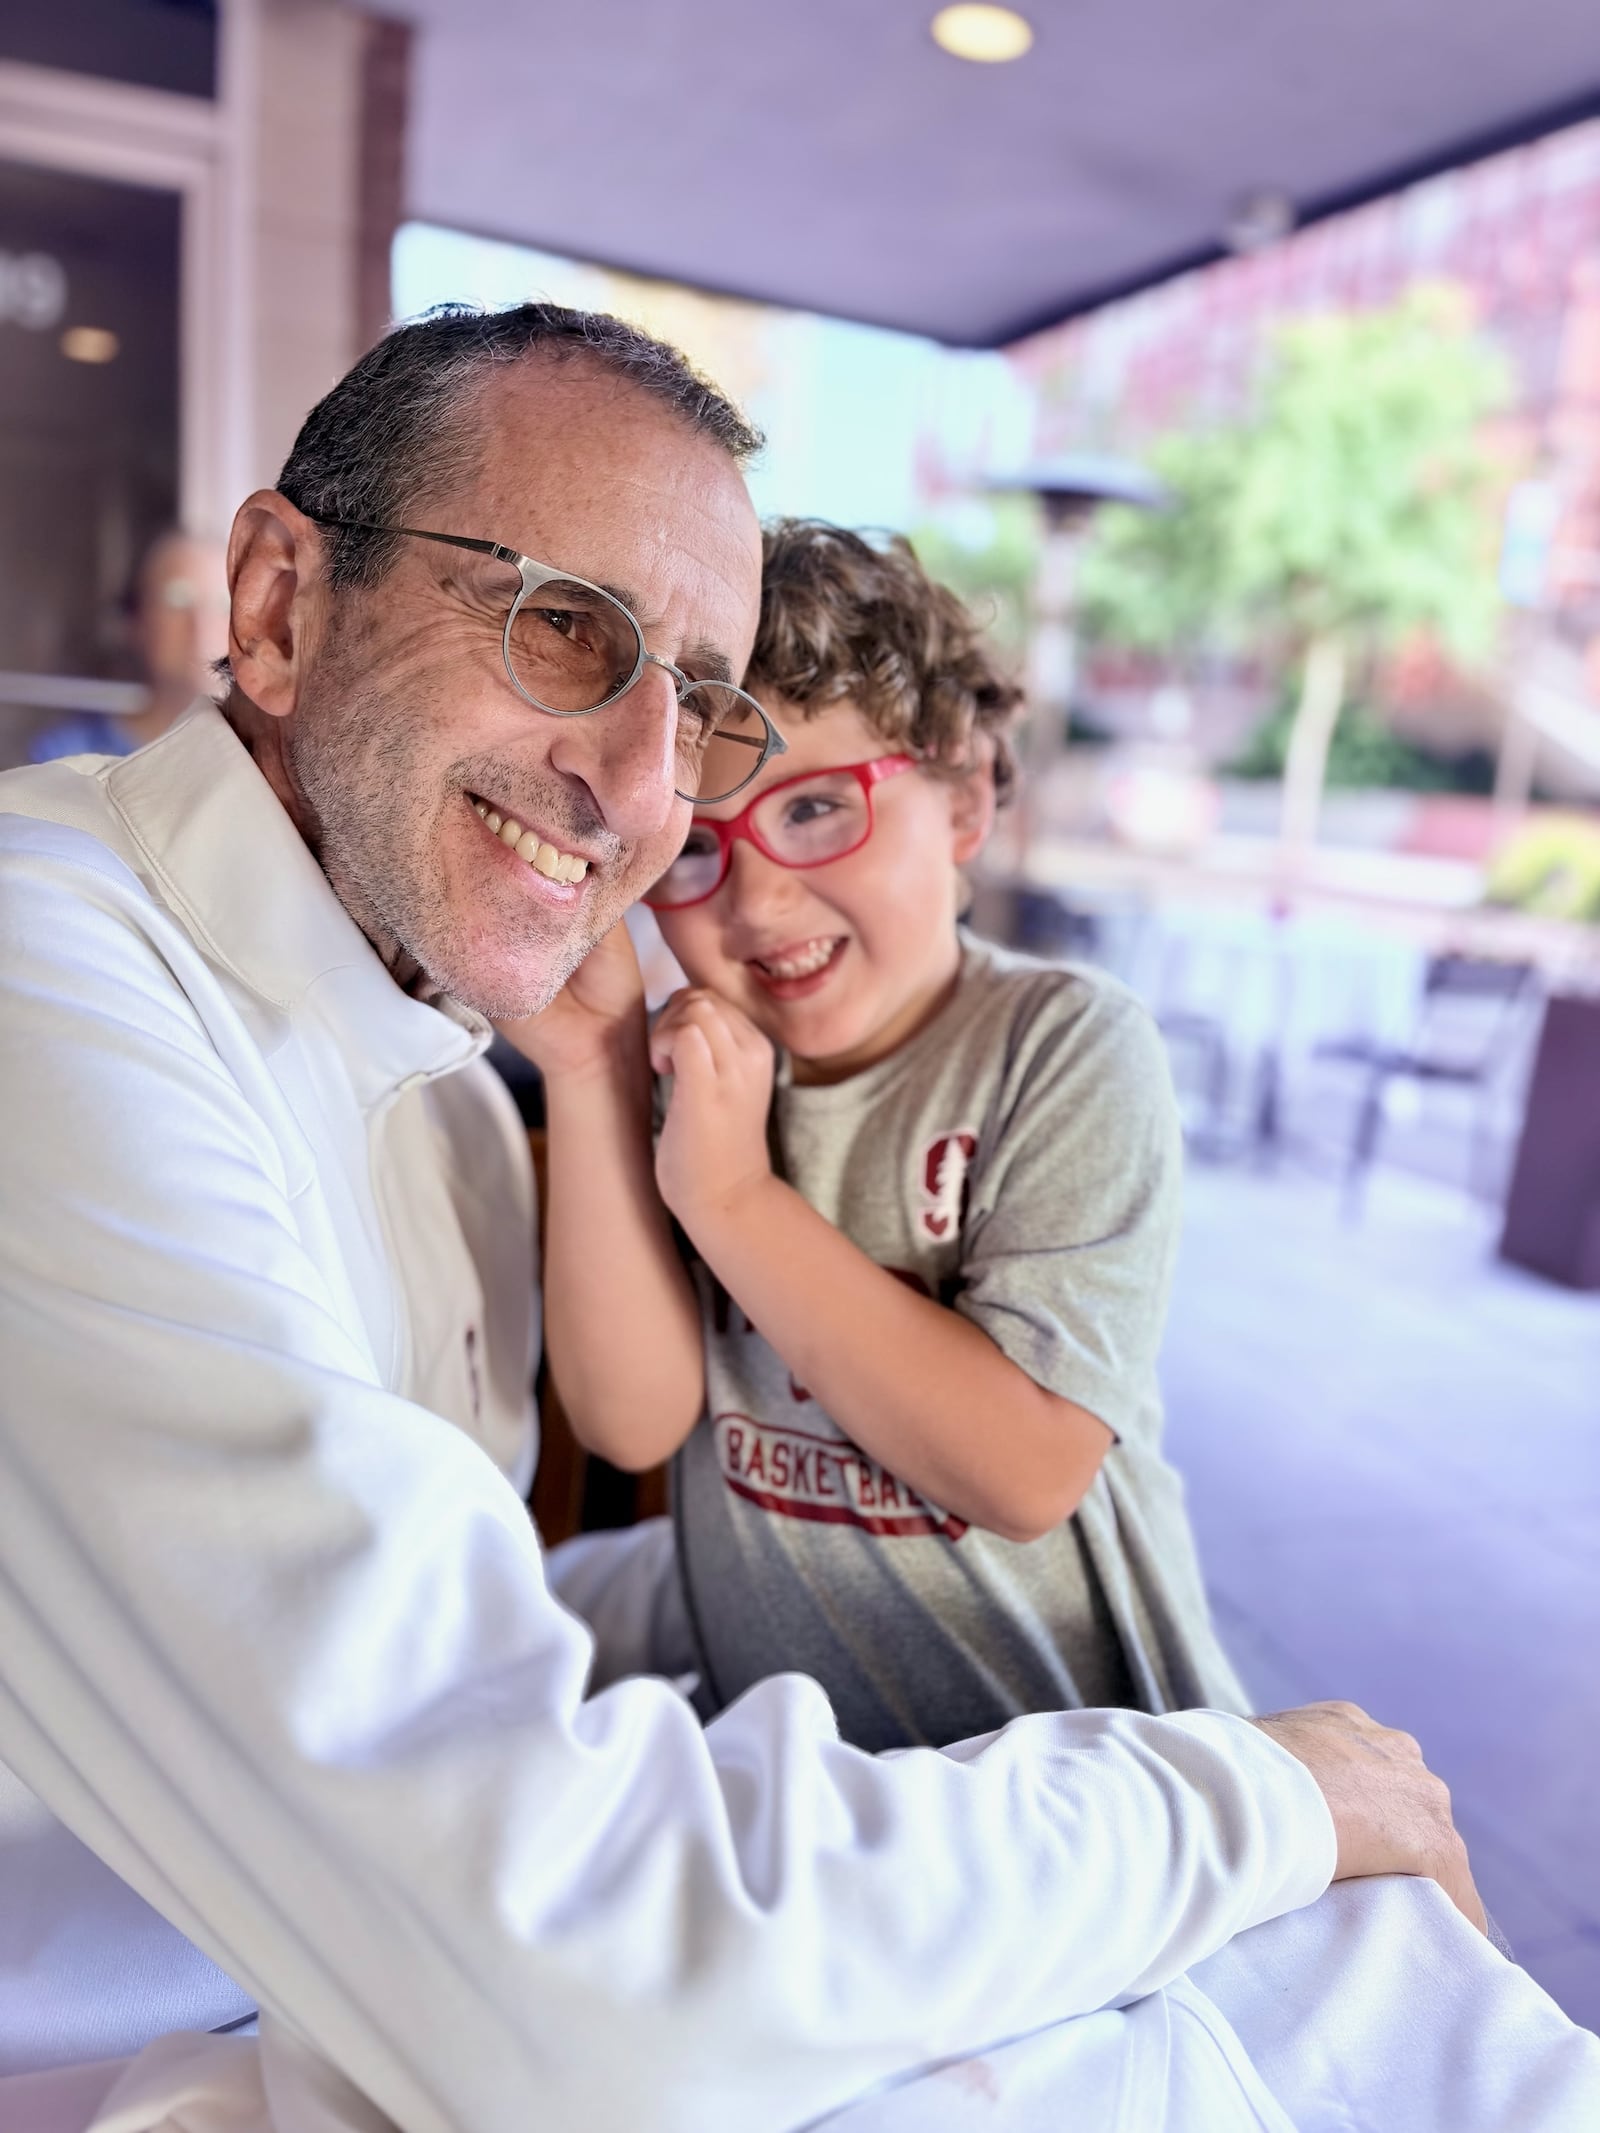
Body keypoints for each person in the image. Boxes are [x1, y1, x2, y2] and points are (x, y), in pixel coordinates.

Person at [0, 303, 1593, 2133]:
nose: (642, 784)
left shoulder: (438, 1062)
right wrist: (1256, 1794)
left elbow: (431, 1607)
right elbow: (563, 1944)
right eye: (563, 625)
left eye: (696, 699)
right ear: (277, 601)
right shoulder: (50, 980)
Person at [515, 519, 1247, 1753]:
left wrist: (736, 1200)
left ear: (962, 797)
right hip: (824, 1797)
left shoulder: (1062, 1046)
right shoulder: (687, 1076)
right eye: (696, 845)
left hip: (1089, 1781)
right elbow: (633, 1424)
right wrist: (591, 1072)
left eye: (814, 811)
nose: (756, 899)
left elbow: (1025, 1471)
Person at [28, 529, 230, 763]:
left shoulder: (265, 764)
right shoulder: (65, 759)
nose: (201, 625)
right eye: (177, 599)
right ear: (135, 621)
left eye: (223, 602)